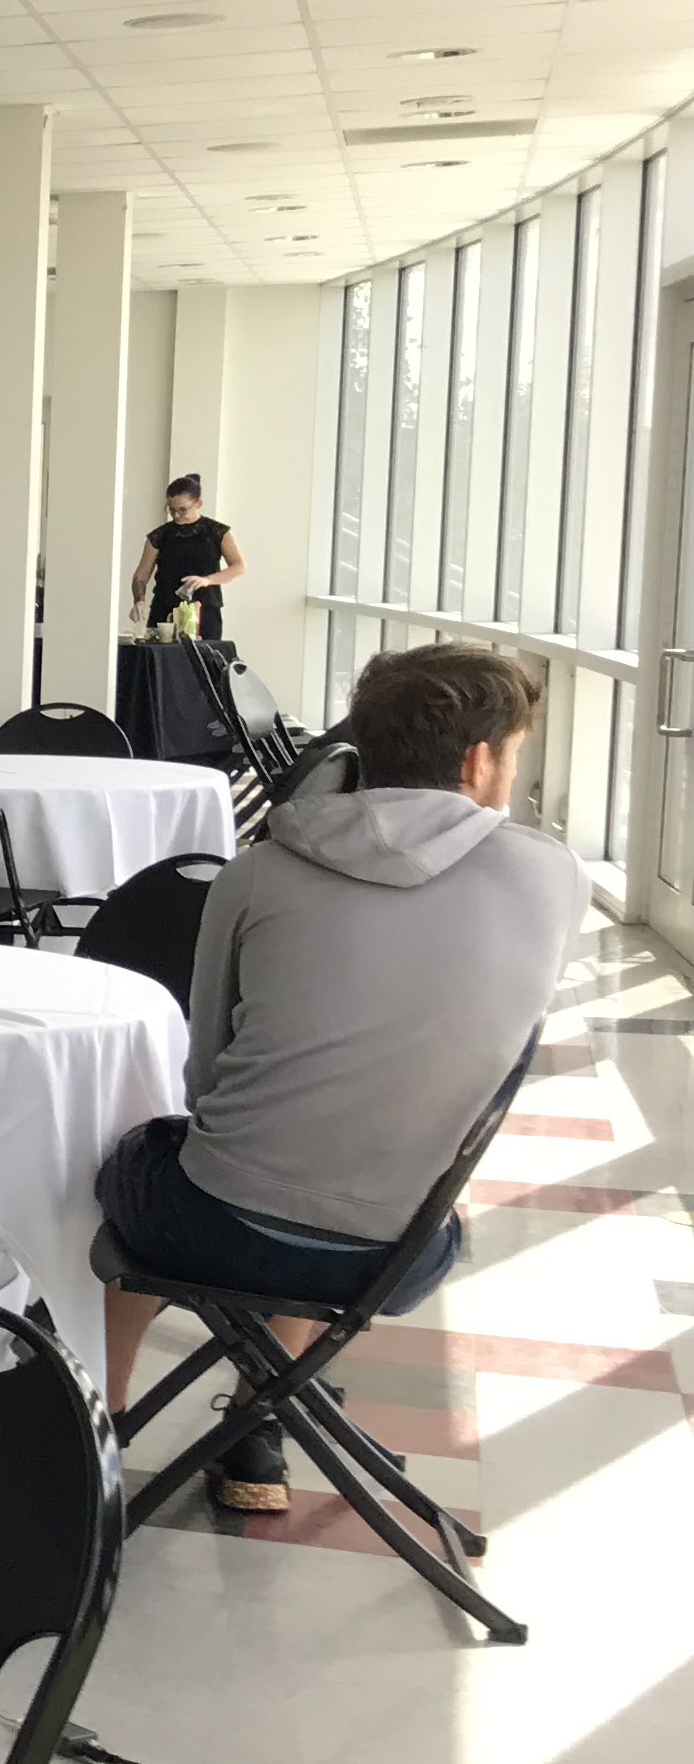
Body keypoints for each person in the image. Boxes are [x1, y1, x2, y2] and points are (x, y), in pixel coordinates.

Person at [96, 642, 582, 1509]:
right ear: (476, 761)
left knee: (129, 1157)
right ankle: (255, 1433)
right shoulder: (553, 878)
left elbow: (202, 1068)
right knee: (360, 1157)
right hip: (396, 1255)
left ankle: (102, 1418)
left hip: (211, 1225)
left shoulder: (256, 870)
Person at [130, 473, 244, 641]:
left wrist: (208, 580)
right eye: (171, 510)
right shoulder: (159, 535)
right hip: (165, 609)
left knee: (202, 663)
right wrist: (139, 600)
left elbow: (239, 566)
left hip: (205, 610)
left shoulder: (218, 532)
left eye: (182, 510)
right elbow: (141, 575)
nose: (176, 515)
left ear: (198, 503)